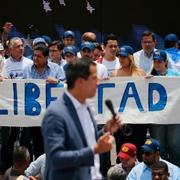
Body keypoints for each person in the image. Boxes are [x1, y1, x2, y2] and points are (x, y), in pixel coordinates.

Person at [41, 58, 122, 180]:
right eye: (94, 78)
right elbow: (56, 158)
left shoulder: (86, 108)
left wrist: (106, 130)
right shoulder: (56, 114)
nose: (98, 83)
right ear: (80, 82)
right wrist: (94, 150)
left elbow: (85, 142)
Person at [23, 43, 65, 159]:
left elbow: (66, 87)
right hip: (34, 116)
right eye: (34, 55)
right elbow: (18, 87)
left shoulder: (56, 69)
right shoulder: (27, 70)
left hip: (52, 116)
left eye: (39, 56)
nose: (35, 58)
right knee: (37, 145)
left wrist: (57, 82)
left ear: (46, 58)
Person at [0, 37, 33, 175]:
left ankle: (29, 169)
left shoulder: (30, 63)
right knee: (8, 140)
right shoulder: (5, 64)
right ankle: (7, 170)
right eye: (18, 46)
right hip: (9, 109)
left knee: (26, 139)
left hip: (25, 108)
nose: (21, 48)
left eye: (22, 46)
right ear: (10, 49)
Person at [112, 45, 147, 161]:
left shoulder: (141, 73)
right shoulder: (115, 74)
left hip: (137, 118)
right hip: (122, 118)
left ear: (130, 57)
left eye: (124, 57)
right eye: (120, 56)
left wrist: (150, 81)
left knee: (138, 146)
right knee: (122, 147)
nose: (121, 59)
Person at [149, 49, 180, 167]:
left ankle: (176, 169)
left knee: (174, 144)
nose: (157, 64)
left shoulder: (176, 75)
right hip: (157, 118)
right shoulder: (149, 76)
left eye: (159, 62)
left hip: (174, 116)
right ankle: (160, 169)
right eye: (155, 61)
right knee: (159, 144)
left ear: (165, 61)